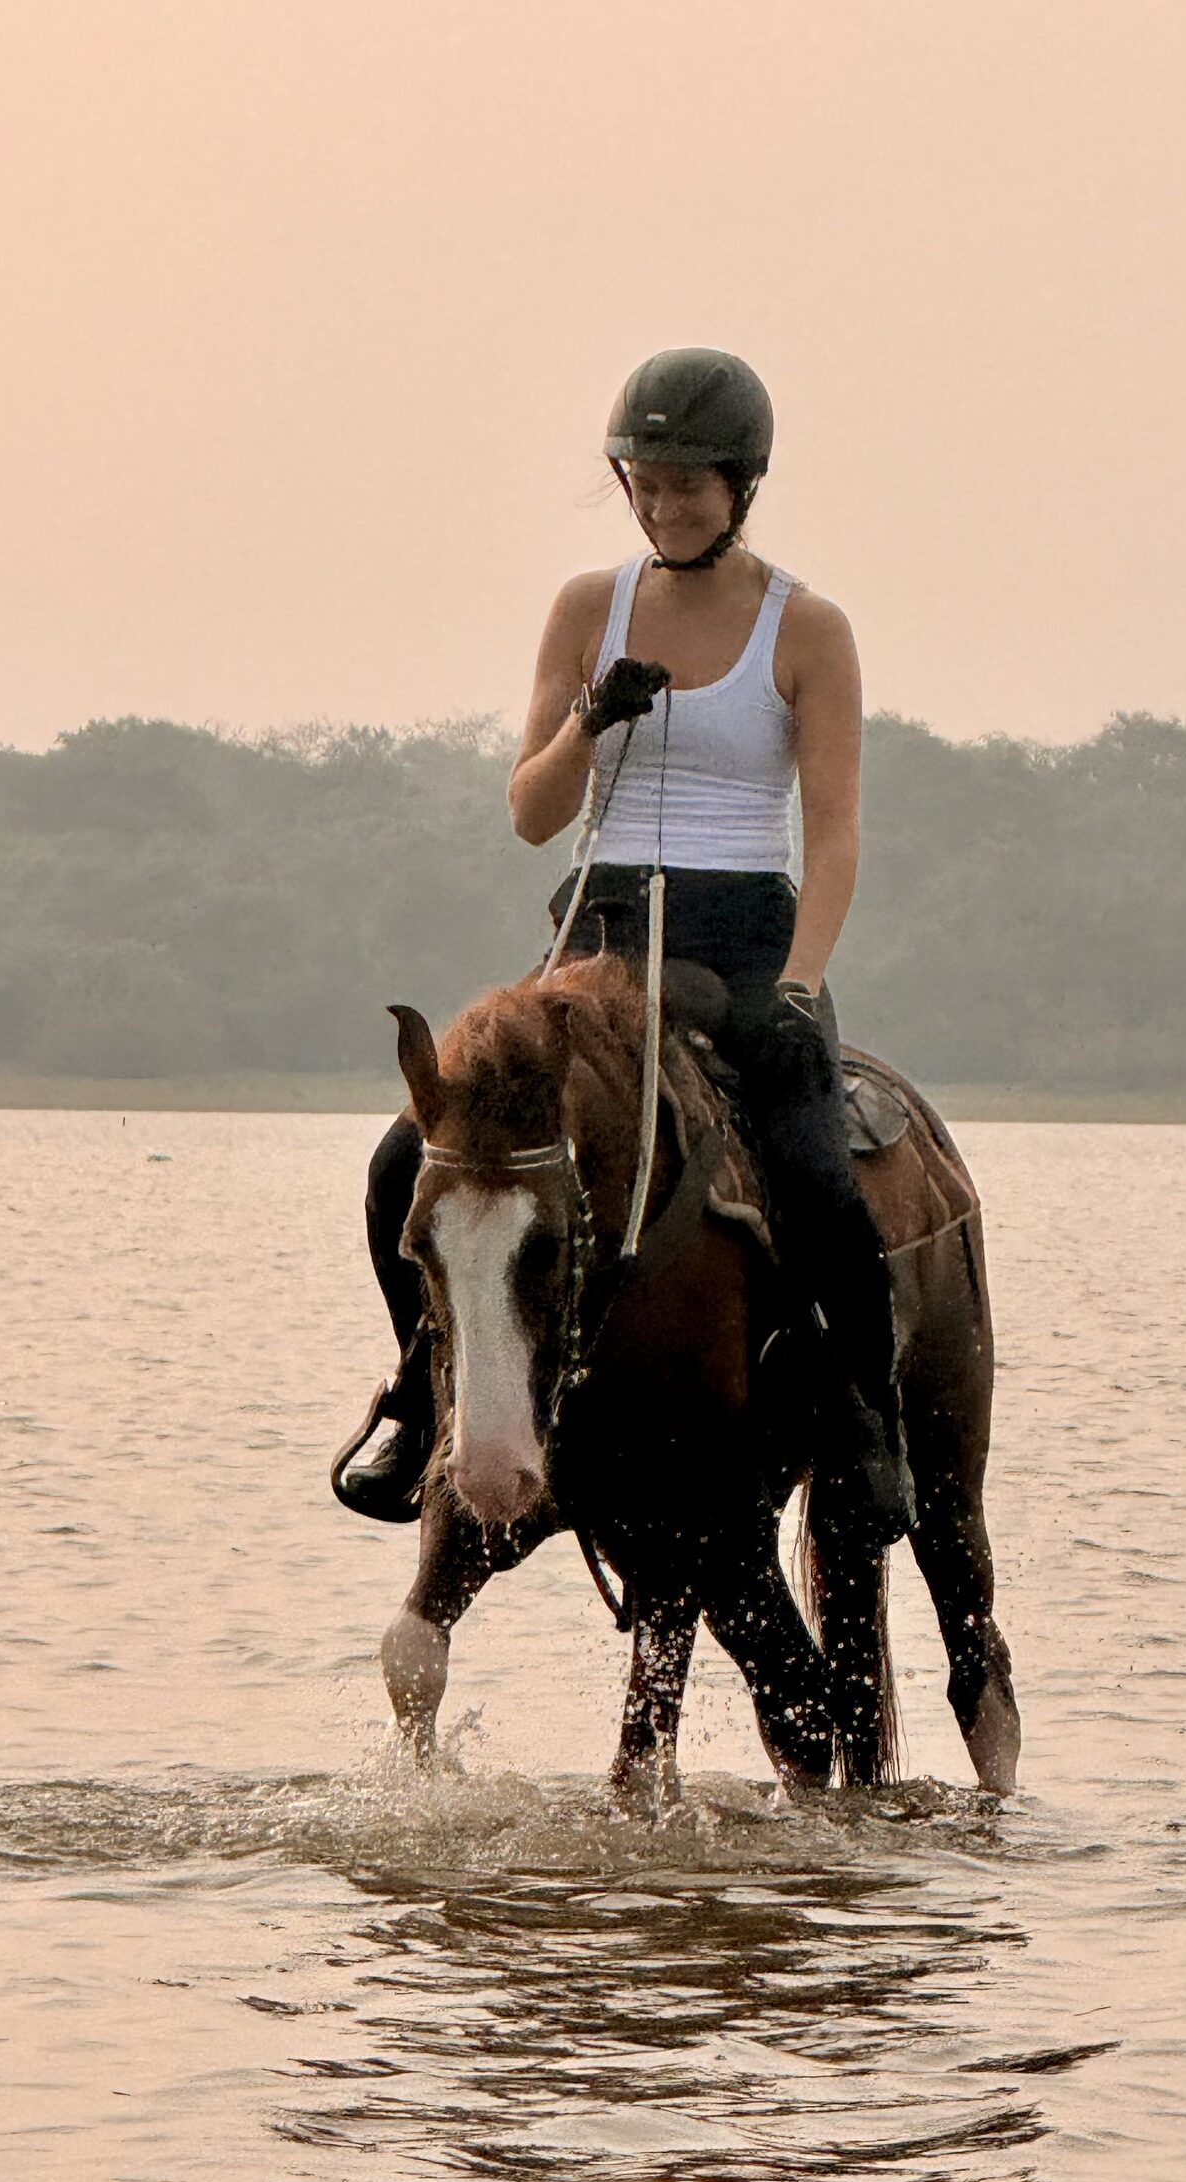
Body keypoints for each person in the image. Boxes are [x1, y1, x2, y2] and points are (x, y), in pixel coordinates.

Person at [335, 346, 912, 1544]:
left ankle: (869, 1430)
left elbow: (838, 831)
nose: (665, 503)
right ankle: (415, 1393)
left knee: (816, 1178)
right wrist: (591, 720)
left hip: (748, 933)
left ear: (742, 485)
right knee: (403, 1163)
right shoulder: (582, 610)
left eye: (690, 483)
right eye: (645, 481)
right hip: (597, 935)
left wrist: (801, 982)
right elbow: (531, 813)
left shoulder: (807, 626)